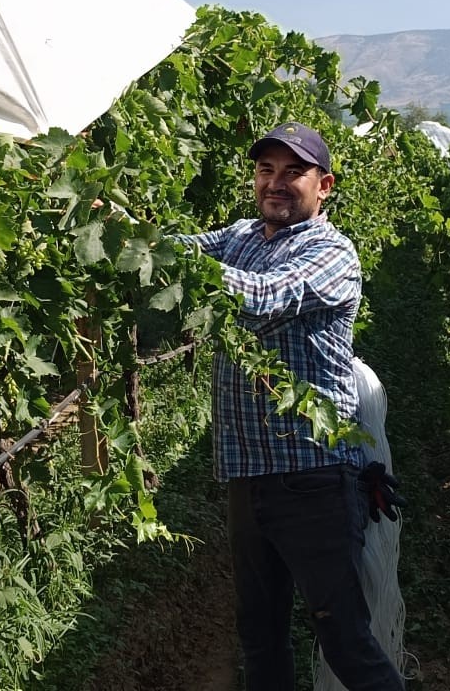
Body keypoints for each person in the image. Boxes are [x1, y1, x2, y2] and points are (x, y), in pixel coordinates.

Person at [175, 121, 405, 691]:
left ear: (323, 186)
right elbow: (174, 252)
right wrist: (111, 225)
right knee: (259, 635)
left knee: (344, 639)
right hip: (247, 476)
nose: (275, 183)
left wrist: (171, 263)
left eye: (293, 172)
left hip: (311, 479)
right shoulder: (244, 236)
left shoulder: (331, 253)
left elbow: (264, 298)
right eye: (265, 170)